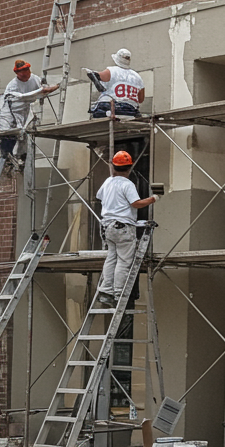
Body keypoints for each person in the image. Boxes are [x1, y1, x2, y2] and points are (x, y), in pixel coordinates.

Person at [95, 150, 157, 306]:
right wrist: (153, 199)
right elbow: (135, 204)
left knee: (111, 257)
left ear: (113, 166)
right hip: (122, 227)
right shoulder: (127, 184)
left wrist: (114, 203)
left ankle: (105, 290)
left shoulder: (108, 182)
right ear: (129, 168)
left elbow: (99, 196)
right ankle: (118, 293)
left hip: (107, 226)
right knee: (123, 260)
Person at [85, 48, 145, 118]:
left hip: (109, 107)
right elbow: (141, 99)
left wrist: (90, 72)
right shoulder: (137, 77)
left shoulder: (111, 71)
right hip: (129, 111)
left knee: (96, 113)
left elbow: (97, 76)